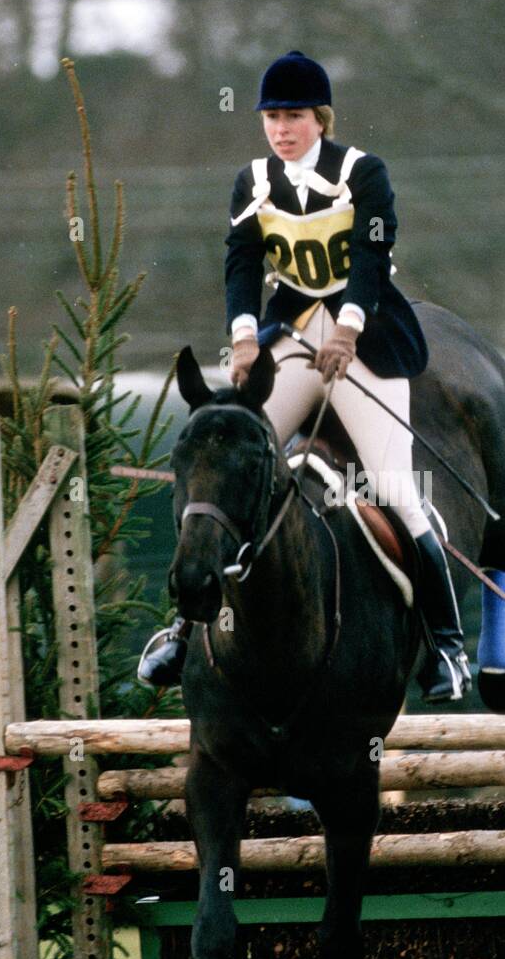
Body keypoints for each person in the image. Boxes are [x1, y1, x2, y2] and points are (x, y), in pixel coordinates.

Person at [138, 50, 471, 701]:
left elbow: (372, 259)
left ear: (319, 118)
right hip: (290, 337)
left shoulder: (360, 173)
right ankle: (180, 628)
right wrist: (240, 339)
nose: (280, 128)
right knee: (231, 456)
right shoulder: (252, 181)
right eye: (271, 117)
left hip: (365, 340)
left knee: (396, 487)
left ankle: (446, 649)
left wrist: (346, 328)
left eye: (292, 116)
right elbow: (241, 262)